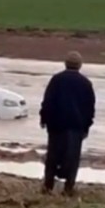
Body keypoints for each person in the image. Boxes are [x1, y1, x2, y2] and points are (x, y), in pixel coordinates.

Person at [39, 51, 96, 196]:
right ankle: (68, 187)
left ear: (65, 64)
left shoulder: (56, 80)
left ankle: (48, 186)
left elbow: (48, 101)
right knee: (72, 157)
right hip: (76, 126)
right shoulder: (86, 83)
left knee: (52, 156)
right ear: (80, 65)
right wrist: (87, 126)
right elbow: (90, 108)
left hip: (56, 125)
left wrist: (43, 118)